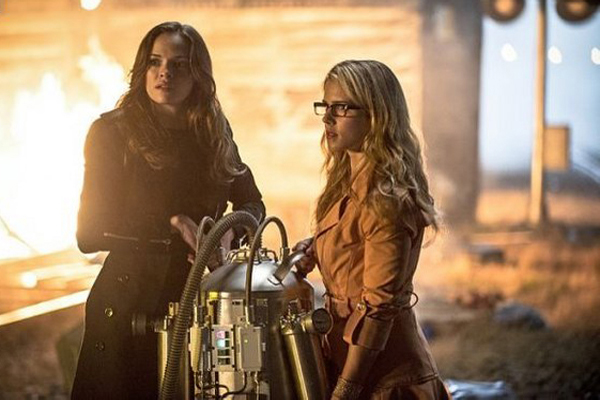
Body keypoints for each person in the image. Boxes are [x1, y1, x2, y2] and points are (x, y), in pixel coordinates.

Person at [72, 21, 265, 399]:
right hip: (129, 305)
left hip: (199, 307)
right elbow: (89, 234)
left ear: (198, 74)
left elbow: (252, 203)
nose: (165, 73)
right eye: (155, 62)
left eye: (179, 64)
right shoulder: (111, 133)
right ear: (142, 69)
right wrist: (172, 226)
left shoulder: (213, 130)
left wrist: (230, 230)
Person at [293, 60, 450, 400]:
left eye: (341, 107)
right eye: (325, 106)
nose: (327, 118)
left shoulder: (386, 199)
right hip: (348, 361)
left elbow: (378, 308)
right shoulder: (345, 184)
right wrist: (316, 247)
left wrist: (346, 389)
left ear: (376, 115)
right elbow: (355, 249)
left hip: (385, 378)